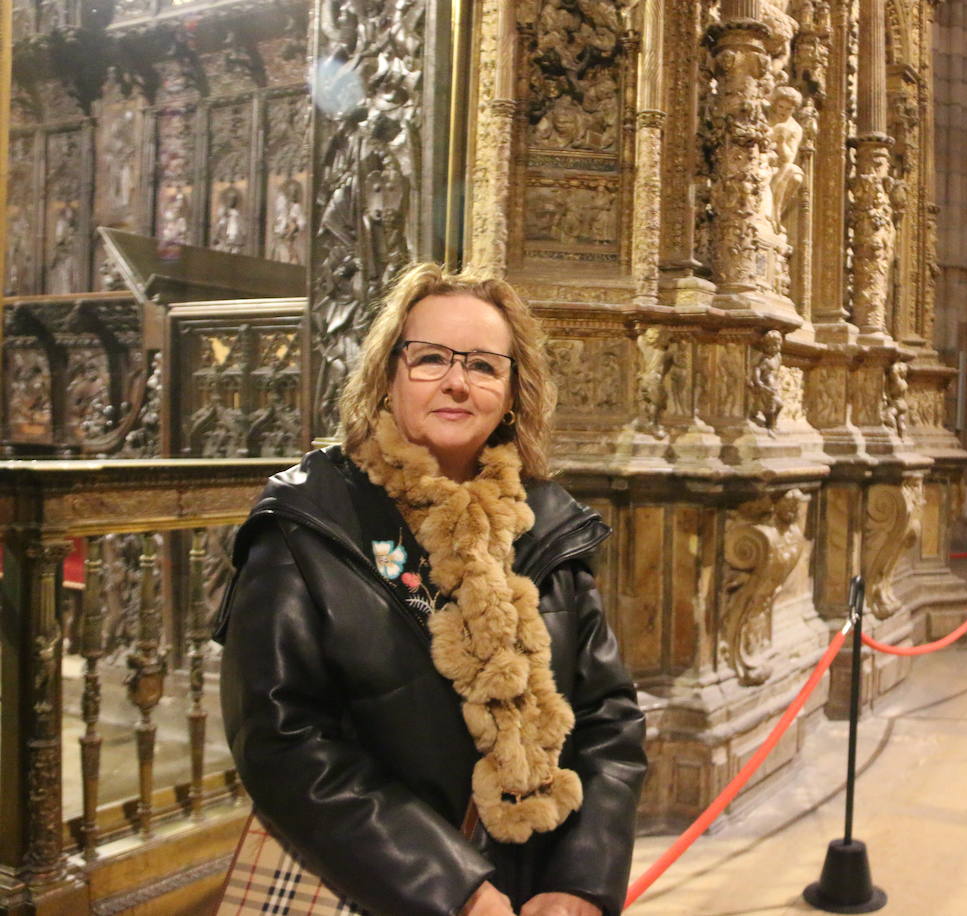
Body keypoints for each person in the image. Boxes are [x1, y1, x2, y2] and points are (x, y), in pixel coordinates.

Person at [215, 262, 647, 916]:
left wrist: (580, 879)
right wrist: (452, 886)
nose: (456, 381)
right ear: (387, 376)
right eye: (431, 358)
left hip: (532, 887)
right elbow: (282, 736)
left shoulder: (546, 525)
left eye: (482, 365)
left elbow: (607, 716)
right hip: (377, 886)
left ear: (510, 393)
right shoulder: (310, 523)